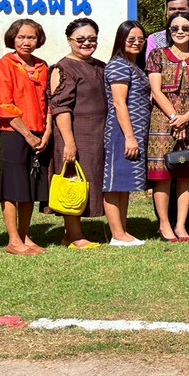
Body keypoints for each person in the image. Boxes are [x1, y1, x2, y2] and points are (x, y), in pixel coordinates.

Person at [147, 12, 189, 242]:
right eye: (175, 28)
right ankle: (164, 224)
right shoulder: (156, 55)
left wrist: (188, 116)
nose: (180, 32)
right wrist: (175, 117)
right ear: (169, 31)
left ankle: (181, 225)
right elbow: (156, 91)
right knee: (162, 175)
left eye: (185, 27)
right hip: (163, 120)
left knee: (187, 173)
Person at [48, 17, 107, 248]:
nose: (86, 43)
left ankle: (71, 232)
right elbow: (60, 107)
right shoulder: (63, 68)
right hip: (74, 135)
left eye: (92, 39)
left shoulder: (100, 66)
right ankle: (74, 235)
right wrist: (69, 143)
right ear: (69, 40)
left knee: (89, 181)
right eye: (80, 39)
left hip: (96, 135)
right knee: (73, 181)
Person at [0, 18, 48, 256]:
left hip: (39, 134)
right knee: (13, 189)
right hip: (14, 134)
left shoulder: (43, 66)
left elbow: (48, 102)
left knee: (30, 189)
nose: (26, 41)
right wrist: (27, 135)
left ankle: (25, 235)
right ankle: (14, 240)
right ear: (13, 38)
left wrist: (45, 133)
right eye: (21, 37)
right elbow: (5, 105)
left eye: (31, 37)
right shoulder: (5, 65)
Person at [102, 20, 150, 247]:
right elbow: (119, 103)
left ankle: (122, 231)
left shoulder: (134, 65)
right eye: (131, 39)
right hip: (121, 132)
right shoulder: (118, 66)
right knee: (115, 183)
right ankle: (117, 234)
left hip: (134, 132)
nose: (137, 43)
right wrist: (130, 137)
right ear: (121, 40)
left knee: (124, 183)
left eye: (141, 39)